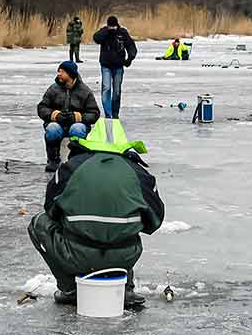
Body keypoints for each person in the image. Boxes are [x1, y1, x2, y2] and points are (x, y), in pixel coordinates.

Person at [28, 118, 164, 309]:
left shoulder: (71, 167)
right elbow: (154, 222)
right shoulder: (139, 173)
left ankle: (69, 288)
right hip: (124, 255)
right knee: (128, 224)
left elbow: (50, 209)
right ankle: (125, 287)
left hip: (75, 253)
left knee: (39, 223)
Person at [37, 60, 101, 172]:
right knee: (52, 128)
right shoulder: (53, 89)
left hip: (77, 125)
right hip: (58, 124)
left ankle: (76, 159)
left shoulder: (84, 91)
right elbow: (42, 108)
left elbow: (94, 113)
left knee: (78, 129)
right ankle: (53, 159)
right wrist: (55, 116)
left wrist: (77, 117)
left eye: (62, 71)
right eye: (58, 71)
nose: (59, 74)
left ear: (70, 74)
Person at [93, 15, 137, 119]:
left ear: (117, 25)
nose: (112, 28)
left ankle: (115, 113)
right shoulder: (104, 32)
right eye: (110, 26)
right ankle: (108, 114)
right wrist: (107, 31)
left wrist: (130, 58)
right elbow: (96, 38)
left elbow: (131, 45)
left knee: (117, 91)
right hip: (106, 66)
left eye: (113, 27)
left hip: (118, 66)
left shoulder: (122, 33)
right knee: (106, 88)